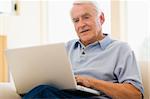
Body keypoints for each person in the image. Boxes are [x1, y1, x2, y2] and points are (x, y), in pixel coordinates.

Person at [23, 0, 144, 99]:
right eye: (76, 20)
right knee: (41, 90)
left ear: (101, 18)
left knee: (43, 92)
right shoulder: (66, 48)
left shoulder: (120, 49)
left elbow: (135, 95)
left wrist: (91, 82)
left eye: (86, 17)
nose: (81, 25)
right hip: (63, 96)